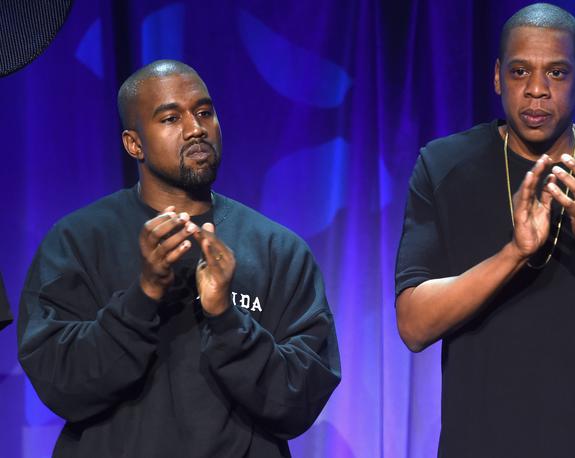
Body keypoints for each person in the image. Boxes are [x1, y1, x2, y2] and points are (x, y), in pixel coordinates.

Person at [395, 3, 575, 457]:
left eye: (558, 73)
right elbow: (413, 325)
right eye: (520, 71)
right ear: (497, 77)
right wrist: (514, 254)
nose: (537, 91)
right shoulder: (444, 165)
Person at [17, 60, 341, 458]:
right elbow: (59, 383)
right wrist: (144, 295)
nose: (196, 129)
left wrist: (224, 316)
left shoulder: (279, 250)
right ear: (133, 143)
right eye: (171, 118)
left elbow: (300, 399)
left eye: (204, 112)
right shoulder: (77, 242)